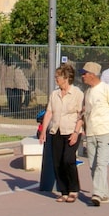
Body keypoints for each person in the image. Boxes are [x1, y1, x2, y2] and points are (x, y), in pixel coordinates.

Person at [77, 61, 109, 206]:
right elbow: (86, 112)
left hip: (105, 131)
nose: (82, 77)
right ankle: (104, 194)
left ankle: (97, 193)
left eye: (84, 74)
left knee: (101, 164)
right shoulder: (87, 92)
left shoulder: (107, 89)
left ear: (92, 74)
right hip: (91, 133)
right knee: (93, 165)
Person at [39, 63, 83, 202]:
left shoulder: (77, 93)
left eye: (58, 76)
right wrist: (44, 132)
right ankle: (63, 191)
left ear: (66, 78)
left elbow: (80, 115)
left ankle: (73, 189)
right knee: (57, 162)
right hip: (56, 131)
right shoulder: (54, 94)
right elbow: (49, 112)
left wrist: (76, 133)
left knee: (68, 160)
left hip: (71, 131)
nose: (55, 79)